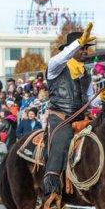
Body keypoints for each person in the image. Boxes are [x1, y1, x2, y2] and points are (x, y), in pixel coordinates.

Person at [43, 22, 97, 198]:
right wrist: (77, 43)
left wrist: (103, 100)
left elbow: (91, 101)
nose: (85, 51)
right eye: (83, 48)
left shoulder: (86, 73)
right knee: (63, 138)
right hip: (60, 118)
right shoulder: (55, 66)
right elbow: (61, 58)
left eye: (86, 48)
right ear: (72, 49)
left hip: (81, 118)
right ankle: (51, 184)